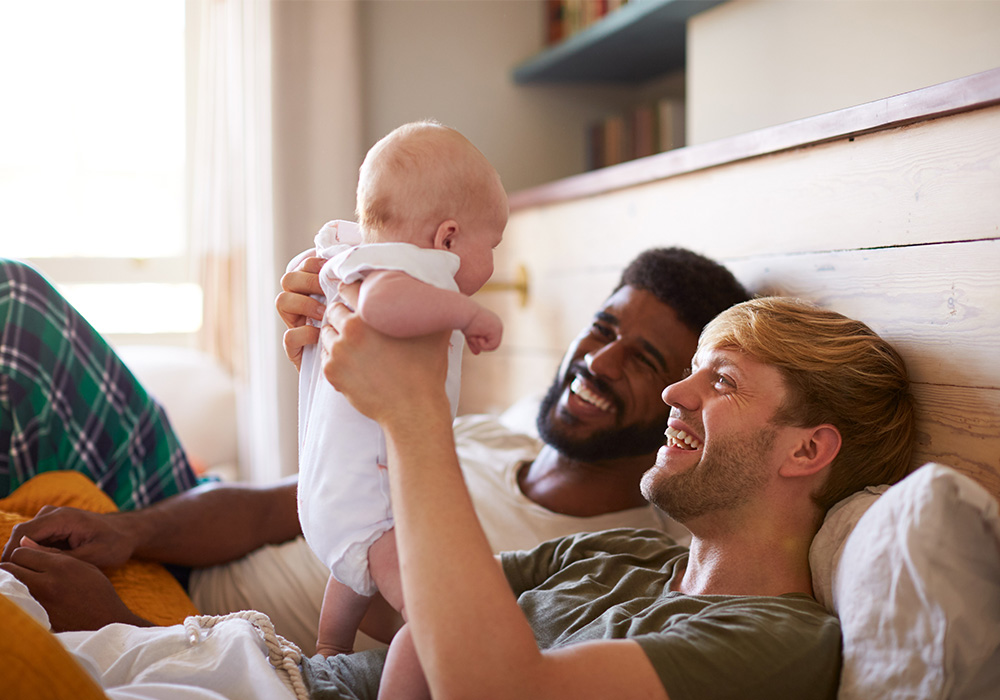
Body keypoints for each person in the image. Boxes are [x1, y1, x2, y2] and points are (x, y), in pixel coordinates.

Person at [0, 246, 748, 652]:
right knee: (19, 305)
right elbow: (278, 507)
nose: (600, 362)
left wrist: (130, 632)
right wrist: (131, 530)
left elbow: (361, 676)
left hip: (193, 640)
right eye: (603, 328)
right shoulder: (487, 435)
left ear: (681, 404)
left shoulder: (607, 558)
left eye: (645, 361)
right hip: (173, 551)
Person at [308, 293, 917, 699]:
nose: (674, 393)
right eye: (693, 371)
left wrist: (414, 417)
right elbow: (418, 613)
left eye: (723, 381)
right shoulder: (626, 553)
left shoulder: (778, 642)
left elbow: (499, 689)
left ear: (806, 451)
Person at [289, 121, 508, 660]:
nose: (495, 263)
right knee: (430, 614)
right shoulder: (411, 268)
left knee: (360, 571)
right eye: (494, 245)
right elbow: (384, 305)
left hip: (337, 499)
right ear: (448, 238)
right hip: (370, 497)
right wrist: (468, 310)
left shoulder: (364, 255)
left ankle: (329, 649)